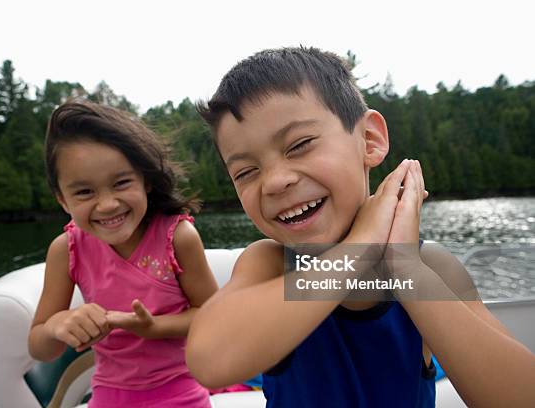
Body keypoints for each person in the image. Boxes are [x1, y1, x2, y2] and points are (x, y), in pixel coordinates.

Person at [186, 47, 535, 407]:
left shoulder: (430, 268)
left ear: (369, 139)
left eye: (300, 145)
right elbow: (210, 361)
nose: (275, 182)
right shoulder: (270, 266)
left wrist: (405, 268)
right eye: (246, 172)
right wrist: (361, 246)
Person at [28, 100, 218, 408]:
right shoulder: (66, 250)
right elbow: (39, 348)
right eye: (85, 192)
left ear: (145, 180)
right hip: (108, 397)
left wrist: (153, 328)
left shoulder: (177, 238)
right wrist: (59, 324)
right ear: (63, 200)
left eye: (121, 183)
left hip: (182, 391)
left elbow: (214, 316)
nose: (107, 204)